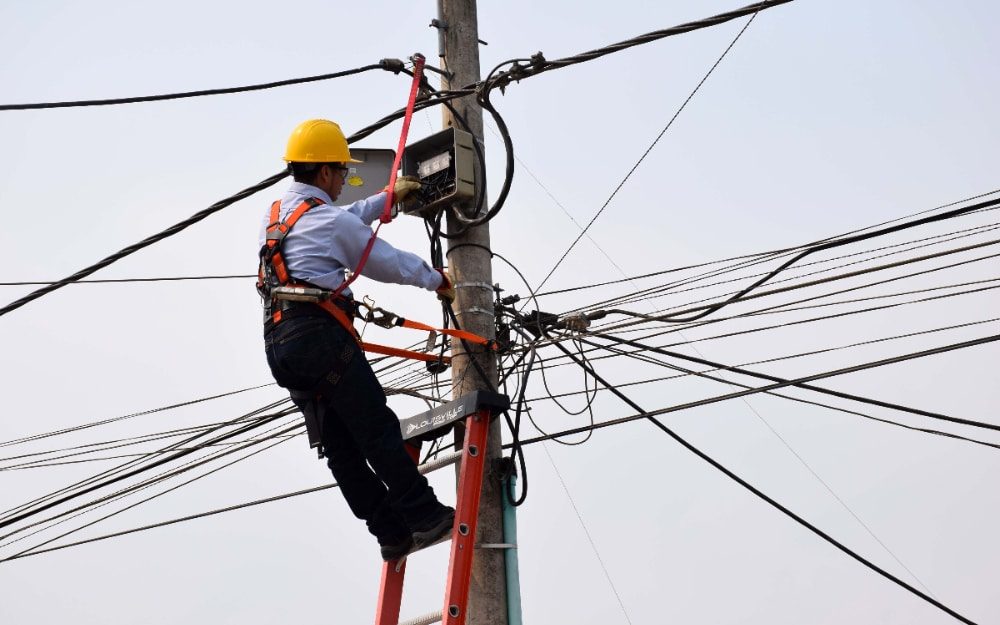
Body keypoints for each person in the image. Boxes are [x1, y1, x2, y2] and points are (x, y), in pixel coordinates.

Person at [258, 119, 457, 561]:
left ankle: (391, 533)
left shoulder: (276, 216)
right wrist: (436, 279)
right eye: (340, 174)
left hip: (281, 347)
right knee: (376, 431)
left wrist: (385, 200)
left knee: (341, 450)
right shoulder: (327, 221)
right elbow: (383, 260)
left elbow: (338, 222)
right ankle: (425, 516)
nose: (340, 182)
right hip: (320, 337)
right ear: (326, 172)